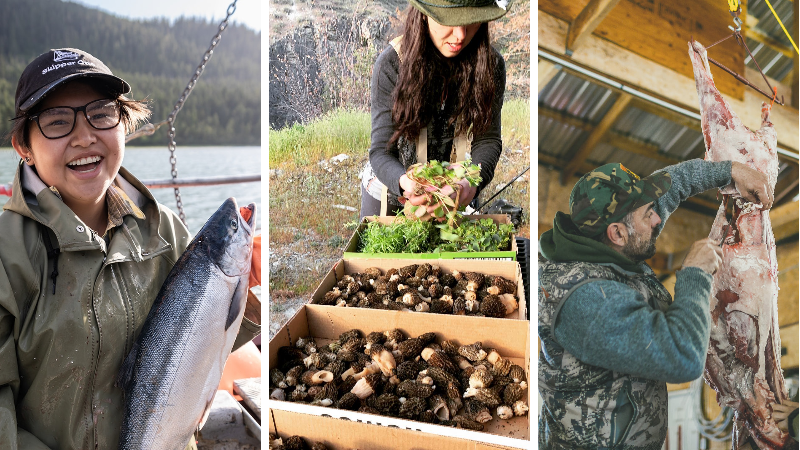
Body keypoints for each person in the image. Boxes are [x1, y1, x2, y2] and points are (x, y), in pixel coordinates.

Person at [0, 48, 261, 449]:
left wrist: (248, 291)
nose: (84, 136)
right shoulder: (7, 256)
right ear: (24, 146)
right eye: (57, 121)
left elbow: (199, 345)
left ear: (124, 123)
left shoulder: (165, 231)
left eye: (101, 113)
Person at [537, 159, 773, 449]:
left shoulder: (609, 245)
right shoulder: (584, 300)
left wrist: (730, 171)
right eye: (648, 214)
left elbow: (671, 186)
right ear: (617, 233)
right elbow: (682, 357)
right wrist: (695, 274)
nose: (657, 219)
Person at [359, 0, 508, 220]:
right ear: (424, 14)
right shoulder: (392, 64)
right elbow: (382, 150)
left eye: (471, 21)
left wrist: (471, 182)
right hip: (391, 185)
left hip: (453, 189)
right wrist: (407, 184)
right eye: (449, 21)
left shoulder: (490, 65)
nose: (460, 35)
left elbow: (488, 139)